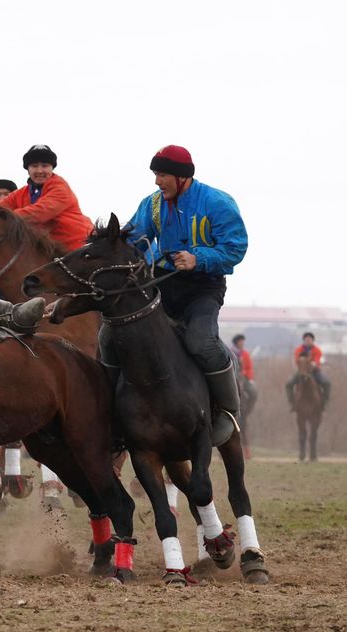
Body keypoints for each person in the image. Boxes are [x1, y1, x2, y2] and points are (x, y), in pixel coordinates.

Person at [105, 144, 248, 446]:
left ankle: (229, 411)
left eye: (163, 174)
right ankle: (106, 410)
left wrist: (198, 258)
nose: (158, 181)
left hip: (203, 289)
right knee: (110, 334)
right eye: (156, 174)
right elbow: (134, 240)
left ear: (182, 177)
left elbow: (235, 248)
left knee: (201, 341)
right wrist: (107, 240)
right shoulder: (153, 205)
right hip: (163, 284)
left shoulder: (217, 203)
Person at [0, 145, 93, 250]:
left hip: (79, 248)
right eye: (34, 166)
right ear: (28, 169)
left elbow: (39, 213)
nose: (40, 170)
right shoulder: (21, 193)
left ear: (52, 168)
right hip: (50, 251)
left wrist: (1, 218)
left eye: (45, 165)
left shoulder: (60, 187)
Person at [286, 332, 331, 410]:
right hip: (302, 371)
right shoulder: (298, 349)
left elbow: (317, 359)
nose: (308, 341)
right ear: (303, 340)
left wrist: (314, 363)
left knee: (327, 383)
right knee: (289, 384)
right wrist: (302, 362)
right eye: (306, 340)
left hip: (315, 371)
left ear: (313, 341)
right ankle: (292, 403)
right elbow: (297, 359)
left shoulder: (317, 350)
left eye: (310, 340)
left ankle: (324, 403)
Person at [231, 334, 258, 416]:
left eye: (243, 342)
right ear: (236, 343)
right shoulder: (230, 353)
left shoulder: (245, 354)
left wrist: (248, 376)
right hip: (232, 377)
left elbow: (250, 367)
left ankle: (248, 411)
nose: (242, 344)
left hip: (244, 377)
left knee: (253, 392)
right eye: (241, 342)